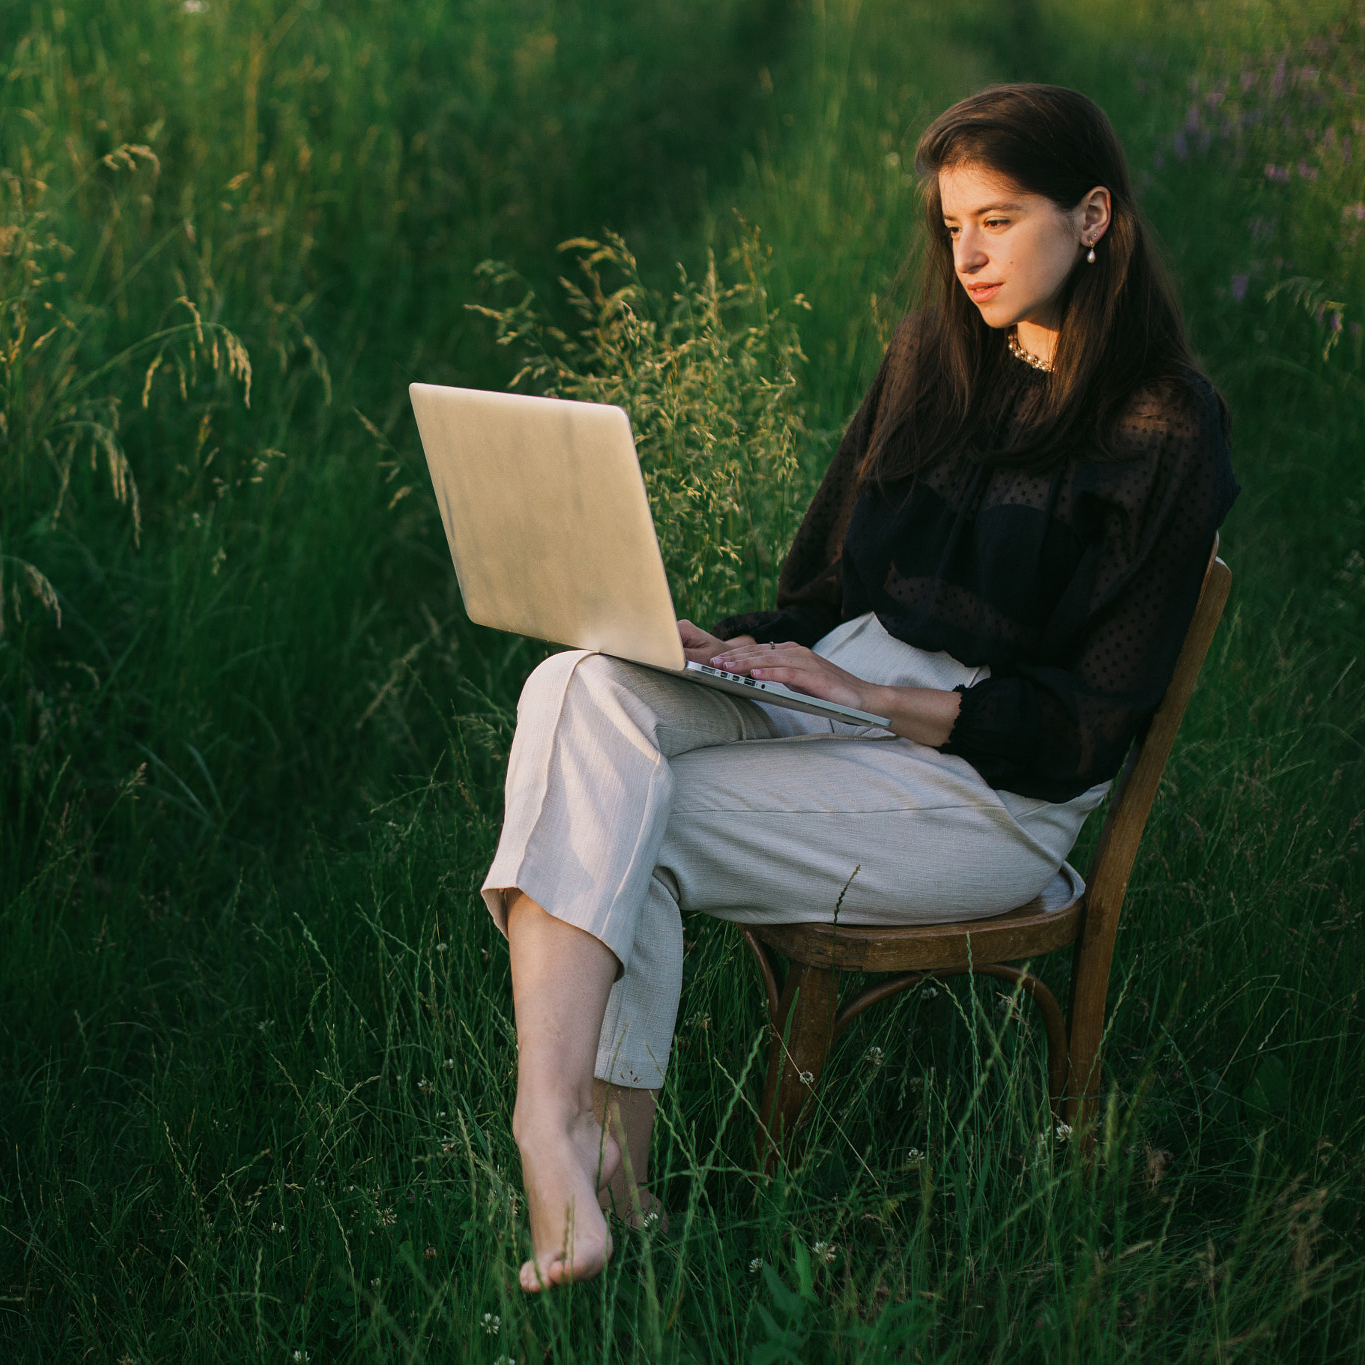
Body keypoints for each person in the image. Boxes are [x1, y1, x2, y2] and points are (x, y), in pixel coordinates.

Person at [486, 83, 1239, 1292]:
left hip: (990, 787)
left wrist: (881, 701)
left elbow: (1083, 727)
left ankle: (595, 1172)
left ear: (1091, 216)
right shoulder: (931, 359)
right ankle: (561, 1139)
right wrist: (713, 648)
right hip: (848, 687)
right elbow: (827, 582)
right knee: (581, 687)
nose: (968, 254)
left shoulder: (1162, 426)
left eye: (997, 219)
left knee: (627, 813)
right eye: (951, 227)